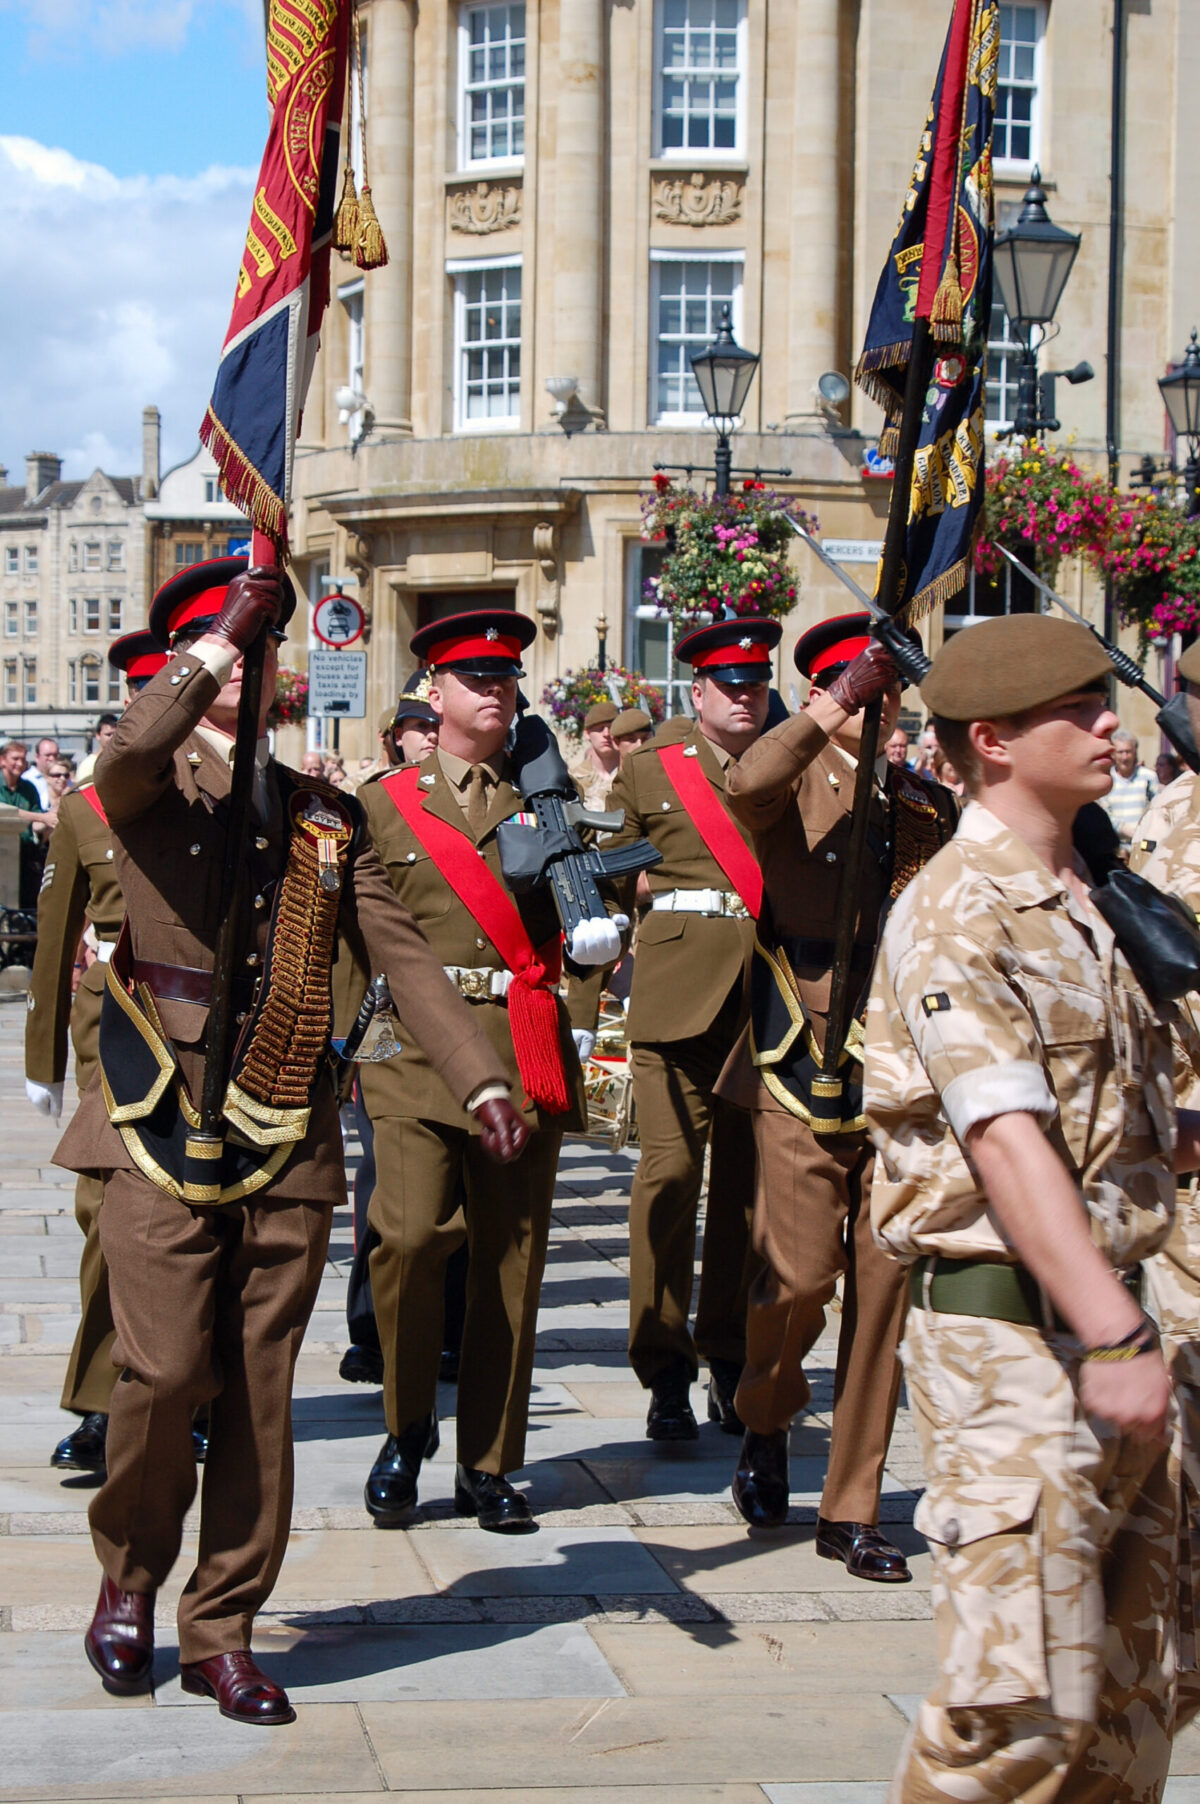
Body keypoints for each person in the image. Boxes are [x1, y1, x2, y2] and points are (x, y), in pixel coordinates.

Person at [54, 558, 523, 1724]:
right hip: (157, 1111)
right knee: (162, 1370)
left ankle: (223, 1626)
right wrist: (220, 634)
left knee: (260, 1390)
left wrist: (481, 1076)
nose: (252, 669)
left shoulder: (322, 814)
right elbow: (126, 754)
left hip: (283, 1124)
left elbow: (402, 948)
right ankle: (128, 1573)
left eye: (260, 652)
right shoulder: (143, 785)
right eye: (226, 654)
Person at [867, 612, 1199, 1801]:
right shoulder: (960, 907)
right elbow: (1006, 1140)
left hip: (1120, 1331)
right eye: (1078, 709)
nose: (1113, 721)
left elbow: (1119, 1123)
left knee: (1125, 1699)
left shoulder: (1096, 897)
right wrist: (1111, 1330)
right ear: (993, 741)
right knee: (1008, 1718)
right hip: (1015, 1348)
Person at [352, 610, 621, 1533]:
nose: (496, 690)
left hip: (519, 1036)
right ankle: (406, 1425)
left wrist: (576, 1013)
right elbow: (365, 940)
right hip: (412, 1052)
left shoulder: (549, 796)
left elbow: (581, 929)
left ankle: (488, 1462)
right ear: (436, 690)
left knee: (511, 1257)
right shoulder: (386, 803)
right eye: (475, 677)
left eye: (507, 676)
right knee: (413, 1237)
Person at [715, 614, 956, 1577]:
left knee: (885, 1285)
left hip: (896, 1067)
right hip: (798, 1051)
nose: (884, 705)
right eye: (869, 688)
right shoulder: (793, 782)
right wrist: (830, 706)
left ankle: (851, 1505)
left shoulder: (925, 805)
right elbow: (748, 781)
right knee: (801, 1278)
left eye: (890, 688)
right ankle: (766, 1415)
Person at [605, 620, 779, 1440]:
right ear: (698, 693)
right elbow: (601, 884)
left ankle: (731, 1353)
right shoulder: (649, 771)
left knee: (747, 1194)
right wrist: (576, 1011)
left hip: (764, 1006)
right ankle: (663, 1366)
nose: (745, 695)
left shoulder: (795, 762)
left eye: (756, 682)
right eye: (728, 684)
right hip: (673, 1001)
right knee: (669, 1181)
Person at [25, 634, 170, 1480]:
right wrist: (42, 1060)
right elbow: (52, 941)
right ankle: (100, 1398)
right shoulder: (87, 808)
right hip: (114, 1020)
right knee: (104, 1217)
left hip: (210, 1022)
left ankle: (187, 1392)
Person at [337, 676, 449, 1391]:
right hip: (383, 1019)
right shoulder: (369, 807)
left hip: (464, 1013)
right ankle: (371, 1330)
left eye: (435, 723)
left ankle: (448, 1328)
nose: (429, 735)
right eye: (417, 725)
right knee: (382, 1175)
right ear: (394, 738)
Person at [0, 740, 48, 908]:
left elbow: (38, 819)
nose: (20, 763)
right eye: (15, 758)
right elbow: (5, 811)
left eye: (23, 759)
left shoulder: (29, 788)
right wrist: (42, 818)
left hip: (25, 851)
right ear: (2, 760)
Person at [1100, 725, 1157, 845]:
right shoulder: (1106, 779)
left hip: (1142, 845)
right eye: (1120, 752)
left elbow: (1157, 809)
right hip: (1116, 847)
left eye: (1128, 752)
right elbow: (1104, 814)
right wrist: (1128, 831)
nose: (1124, 757)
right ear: (1113, 754)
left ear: (1135, 752)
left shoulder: (1148, 777)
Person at [570, 700, 620, 808]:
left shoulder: (629, 777)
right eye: (599, 729)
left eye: (611, 728)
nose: (606, 734)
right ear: (587, 734)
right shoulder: (572, 780)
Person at [75, 716, 120, 786]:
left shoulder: (123, 761)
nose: (112, 738)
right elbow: (86, 791)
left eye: (115, 734)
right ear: (98, 736)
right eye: (108, 734)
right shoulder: (88, 765)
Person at [25, 737, 61, 809]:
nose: (52, 758)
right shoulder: (27, 779)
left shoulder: (64, 778)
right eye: (48, 755)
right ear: (37, 757)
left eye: (55, 755)